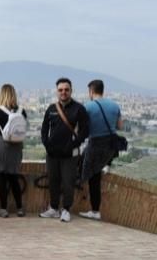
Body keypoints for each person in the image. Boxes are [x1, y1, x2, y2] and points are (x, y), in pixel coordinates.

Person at [40, 77, 89, 223]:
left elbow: (85, 131)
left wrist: (74, 144)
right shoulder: (51, 109)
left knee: (68, 182)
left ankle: (66, 209)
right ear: (57, 91)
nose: (63, 92)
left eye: (66, 90)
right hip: (52, 153)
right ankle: (54, 208)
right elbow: (44, 129)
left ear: (71, 91)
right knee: (53, 181)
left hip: (69, 154)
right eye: (60, 90)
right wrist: (46, 143)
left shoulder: (79, 109)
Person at [79, 80, 123, 221]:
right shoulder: (115, 106)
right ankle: (107, 166)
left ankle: (95, 210)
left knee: (93, 177)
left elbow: (82, 128)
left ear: (91, 91)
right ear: (102, 90)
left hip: (95, 145)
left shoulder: (88, 106)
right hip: (110, 146)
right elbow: (120, 126)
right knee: (96, 175)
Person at [0, 83, 27, 218]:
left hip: (2, 146)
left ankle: (3, 209)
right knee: (14, 178)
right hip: (17, 147)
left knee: (1, 178)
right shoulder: (22, 110)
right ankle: (20, 208)